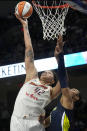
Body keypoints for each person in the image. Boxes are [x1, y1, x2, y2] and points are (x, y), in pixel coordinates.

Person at [10, 14, 61, 131]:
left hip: (35, 125)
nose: (45, 72)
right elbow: (29, 49)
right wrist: (25, 26)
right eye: (45, 71)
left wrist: (60, 60)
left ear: (52, 81)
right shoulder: (31, 77)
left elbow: (64, 80)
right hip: (17, 121)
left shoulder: (51, 91)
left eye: (49, 73)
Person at [39, 34, 80, 131]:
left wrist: (60, 58)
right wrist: (40, 120)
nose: (70, 89)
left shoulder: (68, 103)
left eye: (74, 90)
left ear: (76, 98)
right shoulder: (55, 109)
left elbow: (63, 80)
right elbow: (44, 124)